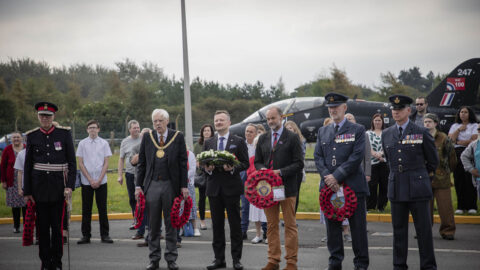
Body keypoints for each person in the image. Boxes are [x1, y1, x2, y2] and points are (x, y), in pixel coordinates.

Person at [382, 94, 439, 270]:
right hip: (397, 186)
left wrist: (419, 175)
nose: (396, 112)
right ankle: (399, 266)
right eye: (393, 109)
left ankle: (428, 266)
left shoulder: (421, 131)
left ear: (409, 110)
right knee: (399, 232)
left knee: (423, 232)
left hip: (417, 187)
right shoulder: (387, 133)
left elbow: (433, 161)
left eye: (399, 109)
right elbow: (389, 160)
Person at [314, 93, 369, 270]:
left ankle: (360, 264)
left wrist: (336, 176)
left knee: (358, 230)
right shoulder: (323, 131)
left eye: (336, 107)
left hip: (352, 187)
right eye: (330, 107)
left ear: (344, 108)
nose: (332, 110)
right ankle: (334, 263)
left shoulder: (358, 129)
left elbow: (356, 157)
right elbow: (318, 157)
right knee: (333, 230)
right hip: (330, 189)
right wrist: (328, 178)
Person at [23, 102, 76, 270]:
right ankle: (45, 262)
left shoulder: (64, 134)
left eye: (48, 116)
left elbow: (72, 164)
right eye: (42, 115)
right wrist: (27, 191)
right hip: (38, 190)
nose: (45, 118)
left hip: (58, 189)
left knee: (57, 228)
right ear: (38, 117)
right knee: (42, 229)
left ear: (53, 117)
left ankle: (57, 262)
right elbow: (27, 165)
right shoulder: (32, 136)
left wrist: (69, 186)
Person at [135, 109, 189, 270]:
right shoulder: (147, 137)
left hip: (170, 186)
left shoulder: (177, 136)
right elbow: (142, 163)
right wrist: (139, 186)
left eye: (160, 121)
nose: (157, 124)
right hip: (152, 185)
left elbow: (182, 163)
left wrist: (184, 186)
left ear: (167, 121)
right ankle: (154, 259)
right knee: (153, 225)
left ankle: (171, 259)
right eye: (155, 121)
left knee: (171, 224)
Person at [255, 106, 304, 270]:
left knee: (290, 225)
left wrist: (280, 172)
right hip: (267, 189)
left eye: (273, 118)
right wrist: (262, 170)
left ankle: (291, 262)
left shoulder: (292, 137)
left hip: (287, 188)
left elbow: (299, 163)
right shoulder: (263, 138)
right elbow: (257, 161)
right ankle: (273, 260)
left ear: (281, 117)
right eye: (268, 119)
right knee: (271, 225)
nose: (270, 122)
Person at [203, 110, 249, 270]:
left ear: (229, 123)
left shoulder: (238, 141)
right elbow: (204, 167)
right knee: (217, 226)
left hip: (232, 189)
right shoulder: (208, 142)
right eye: (216, 121)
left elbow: (245, 163)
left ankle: (236, 259)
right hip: (214, 189)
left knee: (235, 225)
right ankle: (219, 259)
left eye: (222, 120)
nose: (218, 123)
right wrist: (207, 168)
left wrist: (232, 168)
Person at [76, 120, 113, 244]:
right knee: (86, 209)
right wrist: (90, 179)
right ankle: (86, 235)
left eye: (94, 127)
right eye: (90, 127)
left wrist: (99, 179)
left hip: (101, 181)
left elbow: (106, 163)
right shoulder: (82, 144)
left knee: (102, 208)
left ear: (98, 129)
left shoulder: (104, 143)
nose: (92, 130)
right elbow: (80, 163)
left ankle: (105, 235)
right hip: (87, 181)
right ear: (87, 130)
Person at [423, 113, 457, 240]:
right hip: (425, 178)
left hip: (441, 178)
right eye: (425, 122)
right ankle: (424, 231)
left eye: (430, 122)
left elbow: (452, 158)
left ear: (436, 123)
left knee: (445, 207)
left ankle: (448, 231)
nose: (427, 124)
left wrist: (447, 172)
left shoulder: (444, 138)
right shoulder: (420, 137)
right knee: (425, 208)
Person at [448, 106, 479, 214]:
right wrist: (459, 130)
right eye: (461, 112)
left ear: (470, 114)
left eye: (465, 112)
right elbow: (450, 140)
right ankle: (461, 206)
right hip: (457, 153)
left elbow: (473, 140)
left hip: (470, 153)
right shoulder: (455, 126)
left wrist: (458, 142)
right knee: (459, 179)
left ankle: (472, 206)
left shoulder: (475, 125)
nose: (463, 114)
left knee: (469, 179)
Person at [130, 127, 153, 248]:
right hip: (140, 183)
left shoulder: (156, 146)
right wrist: (143, 151)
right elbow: (133, 162)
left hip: (152, 182)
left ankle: (155, 233)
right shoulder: (136, 148)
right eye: (144, 135)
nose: (146, 137)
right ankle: (140, 231)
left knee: (153, 209)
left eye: (148, 135)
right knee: (141, 209)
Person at [117, 119, 142, 231]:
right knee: (132, 198)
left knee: (143, 198)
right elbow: (121, 159)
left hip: (142, 175)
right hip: (130, 174)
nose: (137, 129)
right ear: (129, 129)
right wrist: (120, 175)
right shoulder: (125, 142)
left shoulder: (144, 138)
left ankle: (145, 221)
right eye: (134, 128)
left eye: (138, 127)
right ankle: (135, 219)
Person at [1, 131, 26, 233]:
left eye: (18, 137)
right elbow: (2, 166)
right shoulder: (7, 149)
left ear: (22, 138)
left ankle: (26, 226)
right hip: (12, 181)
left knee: (25, 204)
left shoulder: (26, 148)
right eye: (14, 137)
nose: (16, 139)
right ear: (11, 139)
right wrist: (3, 181)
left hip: (25, 180)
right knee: (15, 206)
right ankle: (16, 226)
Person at [366, 114, 389, 211]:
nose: (377, 122)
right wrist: (374, 154)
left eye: (379, 120)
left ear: (382, 122)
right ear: (372, 121)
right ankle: (371, 206)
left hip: (384, 162)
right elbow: (367, 146)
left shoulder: (387, 133)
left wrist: (382, 155)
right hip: (372, 162)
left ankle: (381, 206)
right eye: (375, 120)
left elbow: (388, 145)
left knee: (384, 184)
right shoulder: (367, 133)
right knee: (372, 185)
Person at [193, 124, 214, 230]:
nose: (206, 132)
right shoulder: (198, 145)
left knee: (213, 198)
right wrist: (202, 165)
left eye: (208, 130)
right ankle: (202, 221)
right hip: (202, 174)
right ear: (202, 132)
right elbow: (195, 160)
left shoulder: (215, 142)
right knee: (202, 198)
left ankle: (215, 220)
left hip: (213, 174)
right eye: (204, 130)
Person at [284, 121, 306, 215]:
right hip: (285, 171)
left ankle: (292, 216)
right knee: (284, 195)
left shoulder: (301, 141)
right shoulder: (281, 141)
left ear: (294, 129)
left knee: (295, 195)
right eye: (287, 128)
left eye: (290, 128)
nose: (289, 130)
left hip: (296, 172)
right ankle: (286, 216)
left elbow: (301, 156)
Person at [460, 125, 480, 202]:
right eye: (478, 129)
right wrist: (471, 169)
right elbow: (464, 156)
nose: (479, 131)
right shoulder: (474, 144)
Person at [187, 148, 200, 237]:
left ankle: (195, 228)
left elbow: (192, 169)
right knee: (178, 207)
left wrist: (182, 178)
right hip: (176, 185)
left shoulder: (190, 154)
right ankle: (181, 228)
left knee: (191, 206)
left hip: (188, 183)